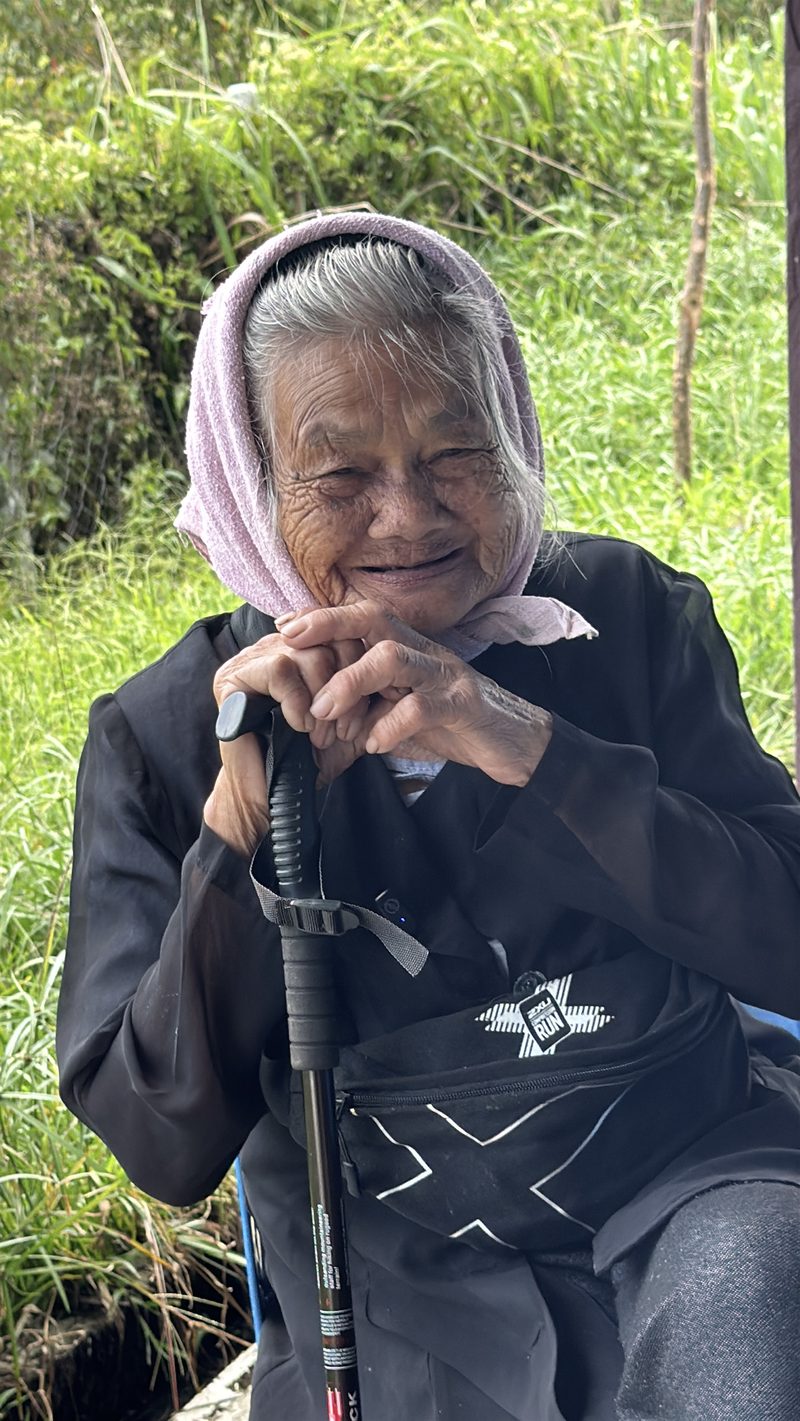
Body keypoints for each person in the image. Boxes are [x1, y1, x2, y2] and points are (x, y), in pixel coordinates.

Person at [56, 213, 800, 1421]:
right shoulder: (165, 737)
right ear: (249, 480)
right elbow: (159, 1134)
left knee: (752, 1323)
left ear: (512, 430)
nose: (406, 517)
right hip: (387, 1279)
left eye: (457, 450)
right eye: (339, 475)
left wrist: (531, 748)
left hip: (694, 1185)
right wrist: (239, 835)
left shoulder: (629, 617)